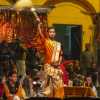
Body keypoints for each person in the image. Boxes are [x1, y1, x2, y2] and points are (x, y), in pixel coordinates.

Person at [37, 22, 64, 98]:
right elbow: (40, 34)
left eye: (53, 32)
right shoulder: (46, 41)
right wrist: (39, 26)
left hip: (56, 68)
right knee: (48, 86)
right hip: (48, 66)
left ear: (55, 33)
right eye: (50, 32)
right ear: (48, 33)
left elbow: (61, 55)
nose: (52, 33)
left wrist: (58, 63)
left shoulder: (58, 44)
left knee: (58, 85)